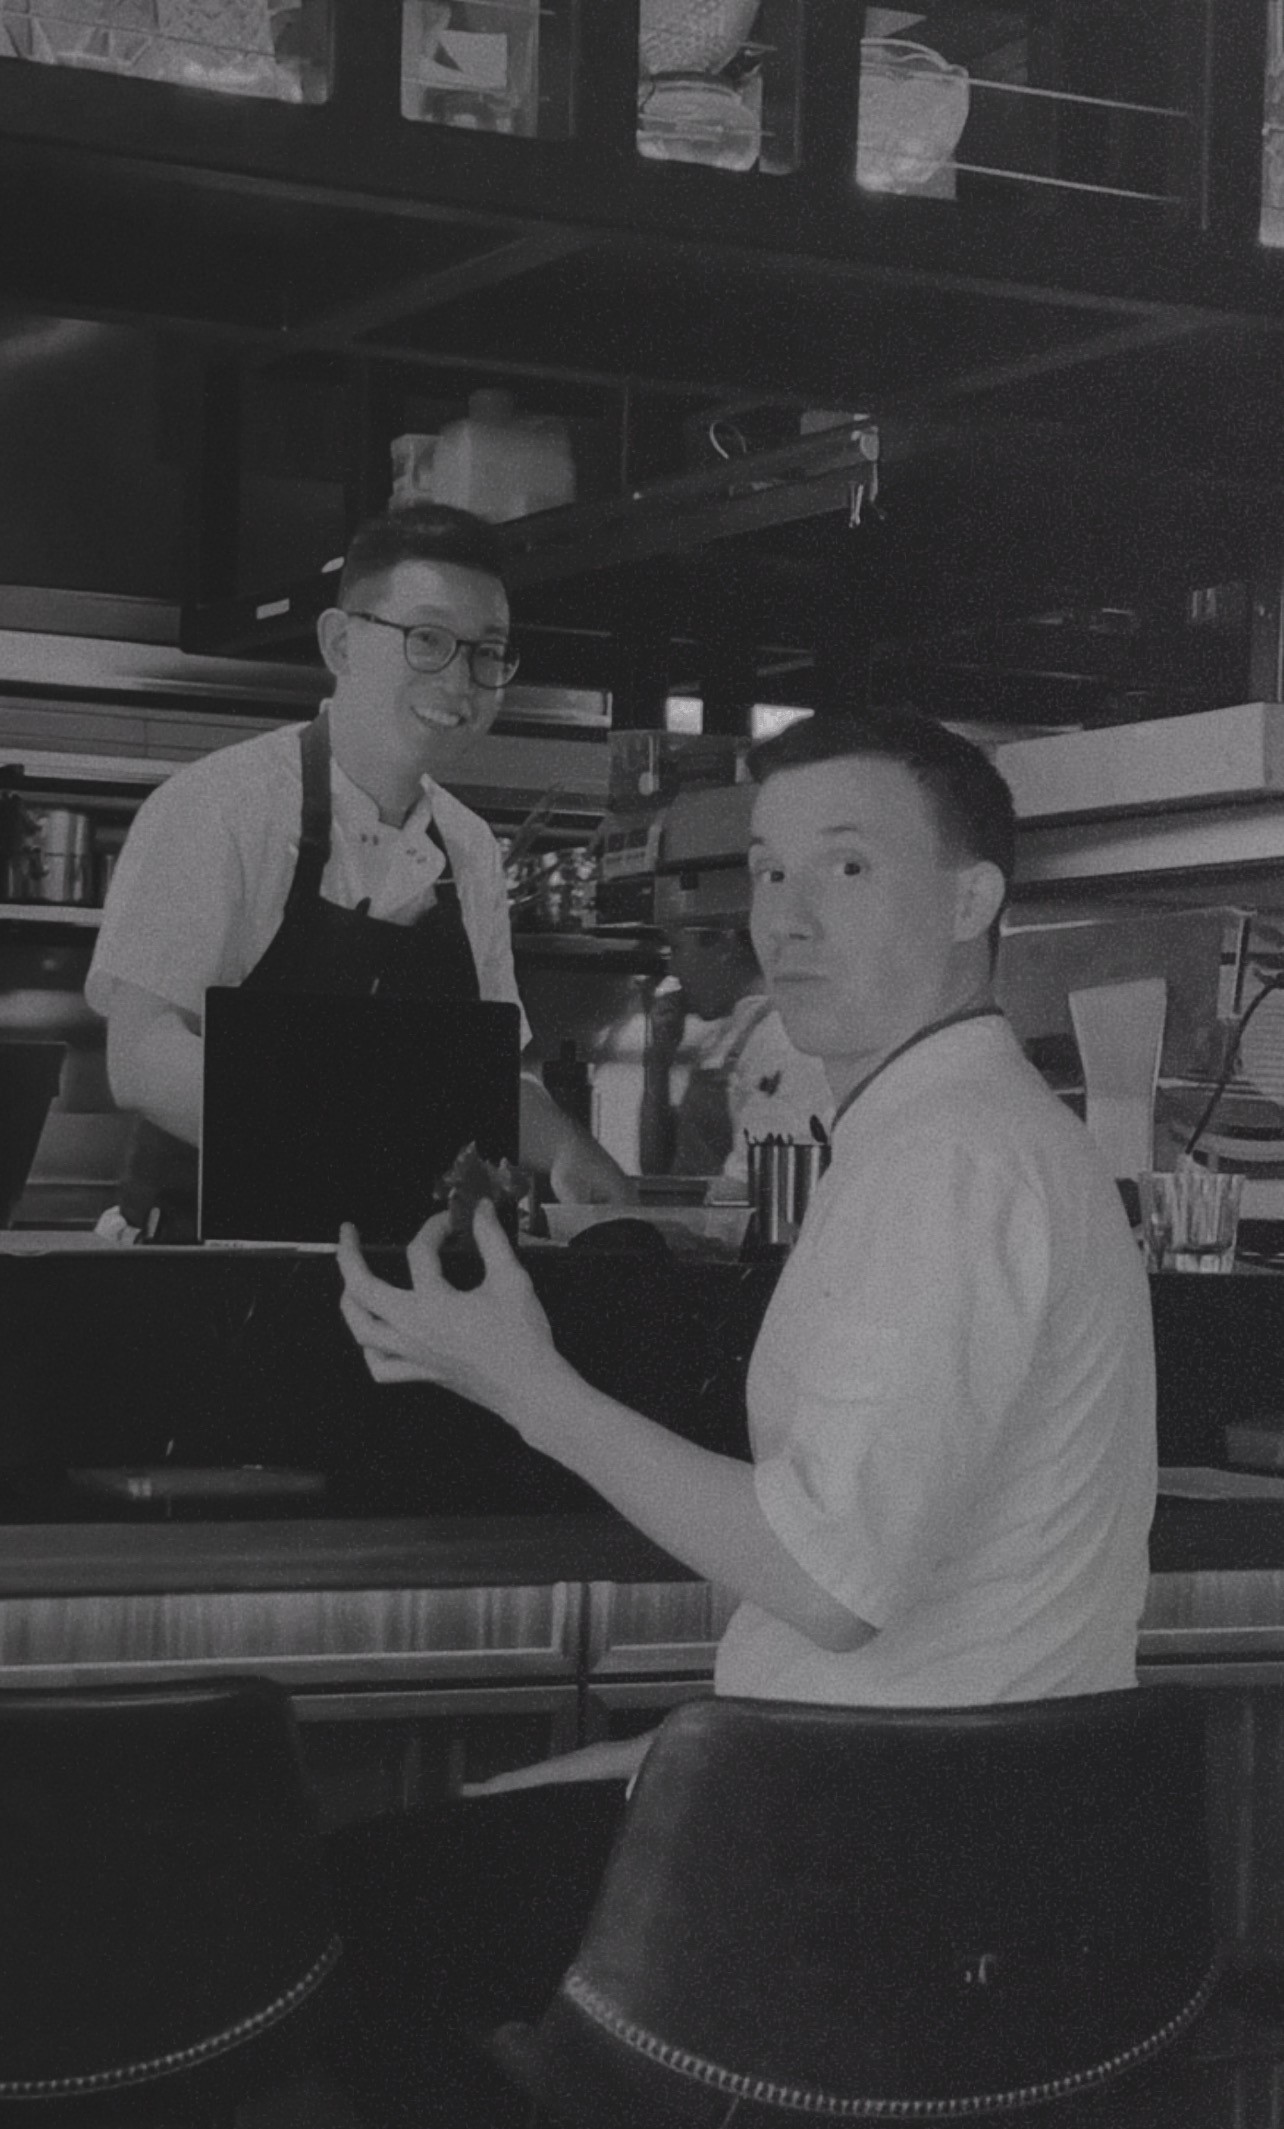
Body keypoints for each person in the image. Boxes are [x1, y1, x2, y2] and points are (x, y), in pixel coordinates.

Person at [325, 708, 1157, 2127]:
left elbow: (829, 1580)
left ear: (972, 899)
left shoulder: (948, 1161)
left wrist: (526, 1384)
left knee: (326, 1927)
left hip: (853, 1888)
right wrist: (658, 1762)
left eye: (847, 867)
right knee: (429, 1867)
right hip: (943, 1846)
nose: (787, 916)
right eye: (769, 870)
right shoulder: (956, 1133)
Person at [85, 501, 633, 1238]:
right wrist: (360, 1137)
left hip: (400, 1273)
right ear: (340, 643)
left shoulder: (469, 849)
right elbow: (141, 1057)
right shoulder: (219, 806)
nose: (462, 682)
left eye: (487, 651)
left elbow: (482, 1082)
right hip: (209, 1264)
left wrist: (567, 1148)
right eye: (428, 639)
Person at [639, 917, 833, 1186]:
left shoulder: (780, 1038)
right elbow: (656, 1169)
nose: (673, 969)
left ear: (725, 945)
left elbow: (756, 1176)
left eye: (677, 949)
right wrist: (657, 1062)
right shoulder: (722, 1037)